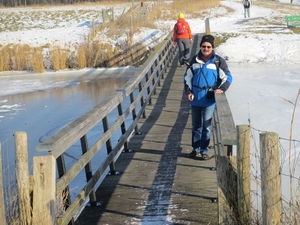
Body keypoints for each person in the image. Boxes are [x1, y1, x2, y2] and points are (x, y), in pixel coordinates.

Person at [184, 34, 233, 159]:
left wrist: (222, 89)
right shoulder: (194, 60)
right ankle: (195, 149)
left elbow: (227, 77)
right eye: (203, 46)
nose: (206, 49)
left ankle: (204, 151)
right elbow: (187, 77)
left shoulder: (218, 61)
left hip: (209, 99)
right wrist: (188, 92)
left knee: (206, 127)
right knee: (196, 126)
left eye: (208, 47)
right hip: (195, 98)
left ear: (212, 47)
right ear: (200, 47)